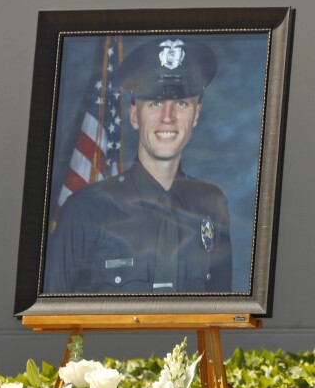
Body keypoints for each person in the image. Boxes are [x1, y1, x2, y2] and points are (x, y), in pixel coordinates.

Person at [43, 36, 232, 294]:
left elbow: (218, 319)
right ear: (134, 115)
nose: (168, 118)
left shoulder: (211, 205)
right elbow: (56, 321)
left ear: (196, 114)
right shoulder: (85, 211)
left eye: (181, 103)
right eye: (155, 103)